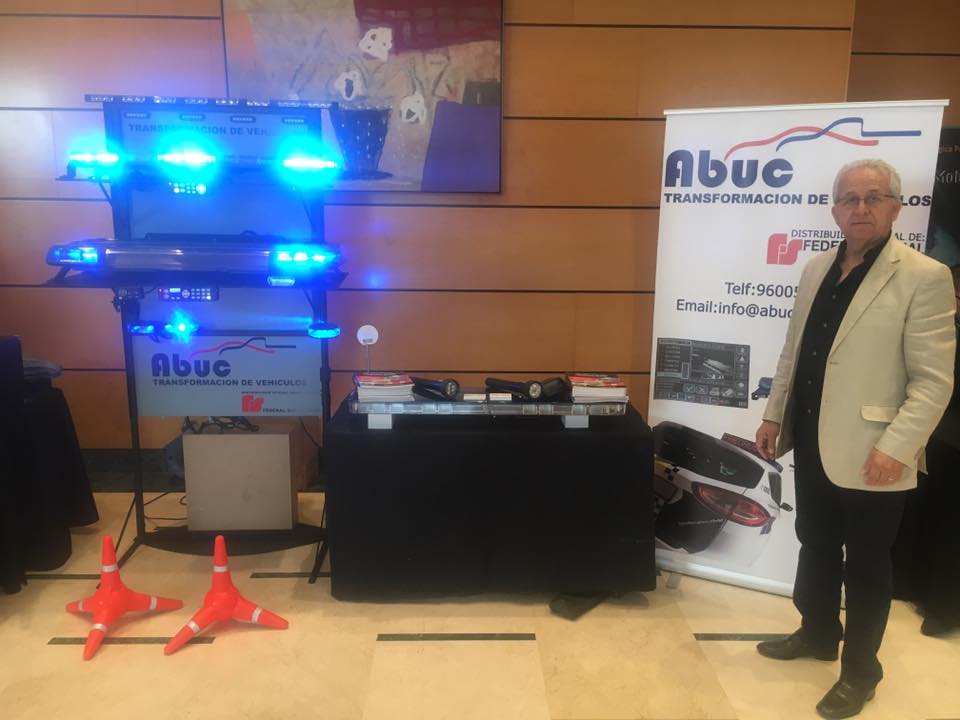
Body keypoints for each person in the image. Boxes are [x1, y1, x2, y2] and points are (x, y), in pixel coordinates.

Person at [754, 159, 957, 719]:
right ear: (835, 209)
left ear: (895, 207)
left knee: (866, 566)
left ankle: (861, 672)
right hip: (811, 439)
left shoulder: (924, 276)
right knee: (815, 543)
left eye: (873, 197)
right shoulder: (817, 267)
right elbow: (794, 353)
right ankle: (818, 632)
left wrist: (896, 448)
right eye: (849, 199)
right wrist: (774, 416)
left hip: (875, 453)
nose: (860, 208)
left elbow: (934, 382)